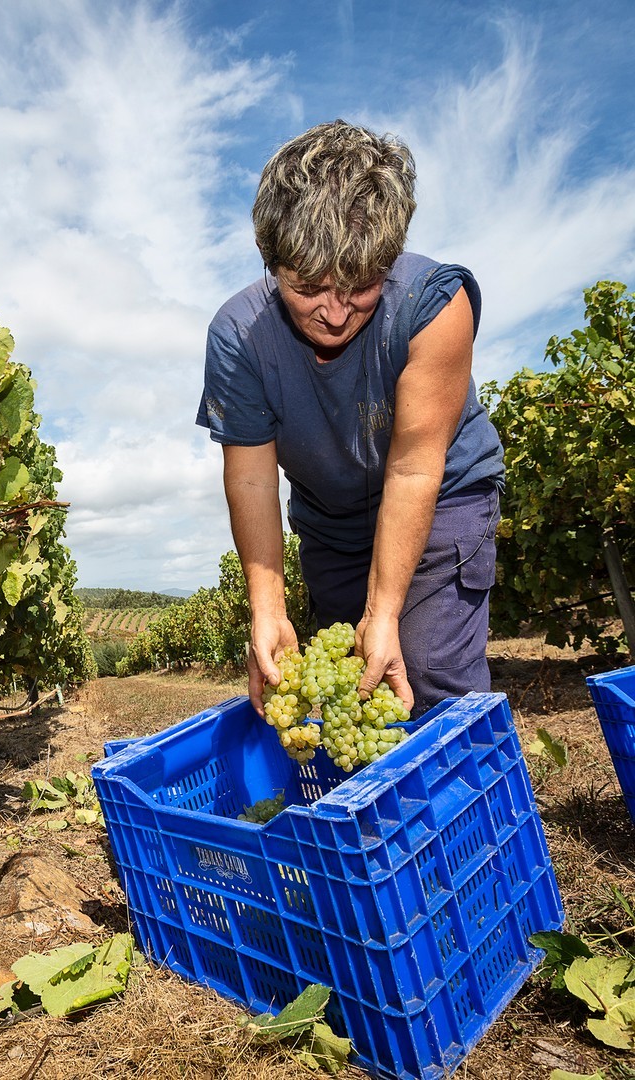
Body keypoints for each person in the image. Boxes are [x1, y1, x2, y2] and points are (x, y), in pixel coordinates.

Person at [196, 120, 505, 720]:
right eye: (309, 287)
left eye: (360, 286)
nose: (335, 313)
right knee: (350, 695)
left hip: (440, 497)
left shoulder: (437, 305)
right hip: (332, 523)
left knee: (429, 677)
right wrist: (268, 607)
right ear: (271, 259)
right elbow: (254, 479)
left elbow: (417, 467)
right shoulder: (237, 338)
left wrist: (384, 610)